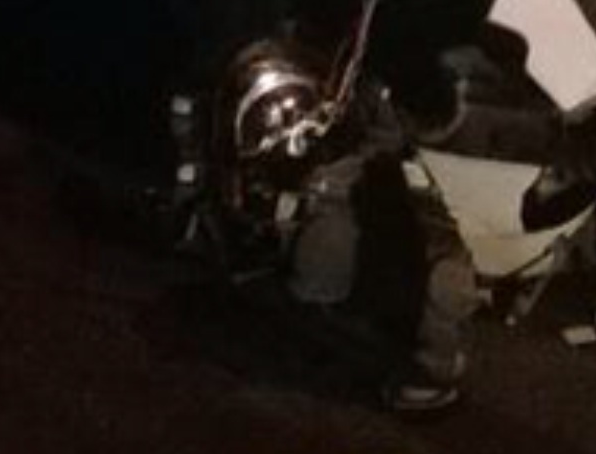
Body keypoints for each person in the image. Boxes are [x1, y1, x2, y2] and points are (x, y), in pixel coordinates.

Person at [182, 38, 479, 414]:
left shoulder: (432, 78)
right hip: (363, 141)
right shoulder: (378, 48)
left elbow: (423, 125)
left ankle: (425, 364)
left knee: (433, 268)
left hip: (396, 169)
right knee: (319, 199)